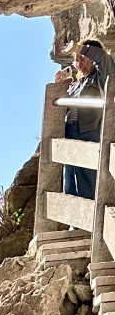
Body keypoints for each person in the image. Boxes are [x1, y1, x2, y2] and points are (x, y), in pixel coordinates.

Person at [57, 40, 110, 199]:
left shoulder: (101, 76)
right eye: (77, 59)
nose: (79, 63)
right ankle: (74, 222)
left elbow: (102, 57)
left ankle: (86, 220)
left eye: (83, 58)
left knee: (86, 177)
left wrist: (78, 47)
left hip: (89, 130)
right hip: (70, 131)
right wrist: (60, 87)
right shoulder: (75, 84)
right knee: (70, 178)